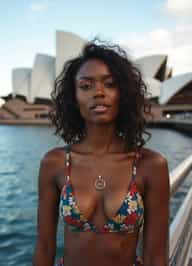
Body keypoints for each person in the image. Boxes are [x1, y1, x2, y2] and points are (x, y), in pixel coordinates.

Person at [33, 40, 170, 266]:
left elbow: (156, 256)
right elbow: (44, 247)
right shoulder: (55, 162)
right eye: (86, 86)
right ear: (73, 98)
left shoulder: (151, 165)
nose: (98, 92)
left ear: (123, 94)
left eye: (110, 84)